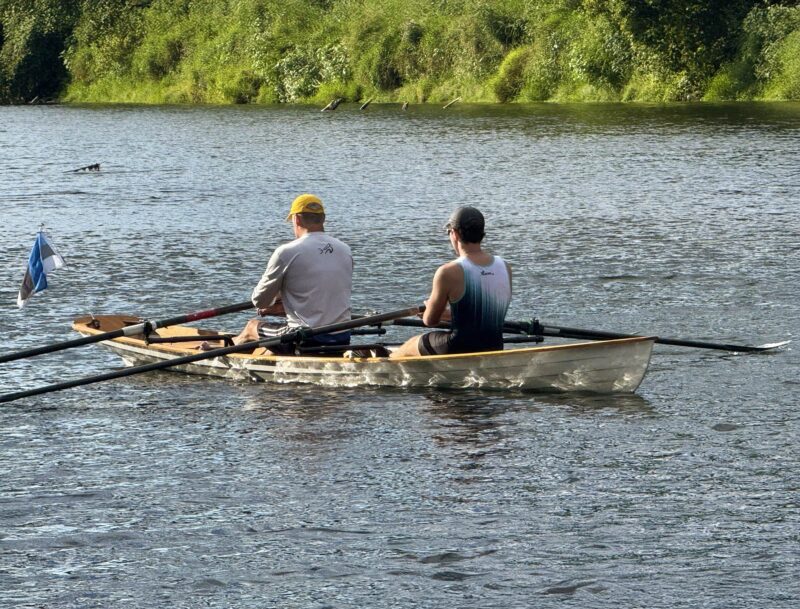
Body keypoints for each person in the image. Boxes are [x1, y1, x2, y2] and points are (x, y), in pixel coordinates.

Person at [231, 194, 353, 354]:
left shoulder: (287, 252)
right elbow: (318, 292)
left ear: (296, 220)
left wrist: (275, 298)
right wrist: (284, 298)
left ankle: (221, 356)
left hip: (304, 339)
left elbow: (260, 301)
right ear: (323, 219)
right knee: (272, 338)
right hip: (342, 337)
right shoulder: (345, 250)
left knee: (252, 326)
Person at [391, 206, 511, 358]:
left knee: (412, 343)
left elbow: (430, 320)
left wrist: (431, 310)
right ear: (482, 233)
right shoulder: (504, 266)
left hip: (457, 348)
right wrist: (448, 315)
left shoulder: (448, 271)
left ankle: (387, 362)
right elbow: (480, 313)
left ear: (455, 233)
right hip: (494, 346)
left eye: (449, 232)